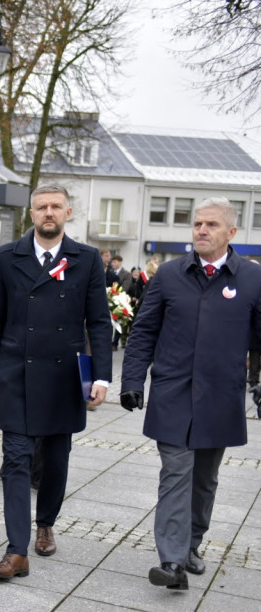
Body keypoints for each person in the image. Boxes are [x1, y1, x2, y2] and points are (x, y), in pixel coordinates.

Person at [120, 197, 261, 590]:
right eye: (197, 223)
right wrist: (132, 381)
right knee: (175, 472)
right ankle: (171, 560)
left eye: (211, 224)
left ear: (231, 232)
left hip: (221, 396)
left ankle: (192, 543)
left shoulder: (252, 279)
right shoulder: (169, 274)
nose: (201, 230)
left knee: (204, 479)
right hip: (173, 392)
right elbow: (143, 331)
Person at [0, 183, 112, 580]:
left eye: (55, 206)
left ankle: (46, 523)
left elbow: (99, 322)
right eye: (41, 207)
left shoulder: (86, 258)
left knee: (54, 462)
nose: (48, 213)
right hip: (15, 374)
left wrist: (101, 377)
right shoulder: (7, 257)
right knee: (15, 460)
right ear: (31, 213)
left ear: (67, 213)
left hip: (63, 377)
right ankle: (16, 550)